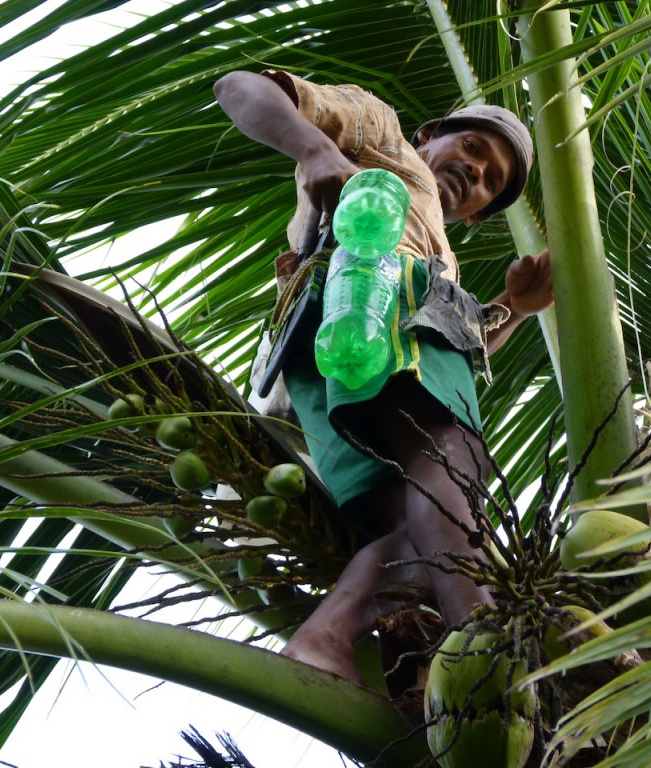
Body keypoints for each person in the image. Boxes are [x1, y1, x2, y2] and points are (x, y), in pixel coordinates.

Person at [214, 69, 553, 685]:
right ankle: (490, 654)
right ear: (429, 136)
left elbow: (450, 343)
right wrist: (315, 147)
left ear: (477, 217)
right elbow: (239, 87)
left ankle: (326, 638)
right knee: (452, 461)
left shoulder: (439, 254)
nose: (477, 173)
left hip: (326, 349)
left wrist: (514, 310)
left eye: (492, 181)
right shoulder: (385, 140)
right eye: (474, 149)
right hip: (368, 296)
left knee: (419, 527)